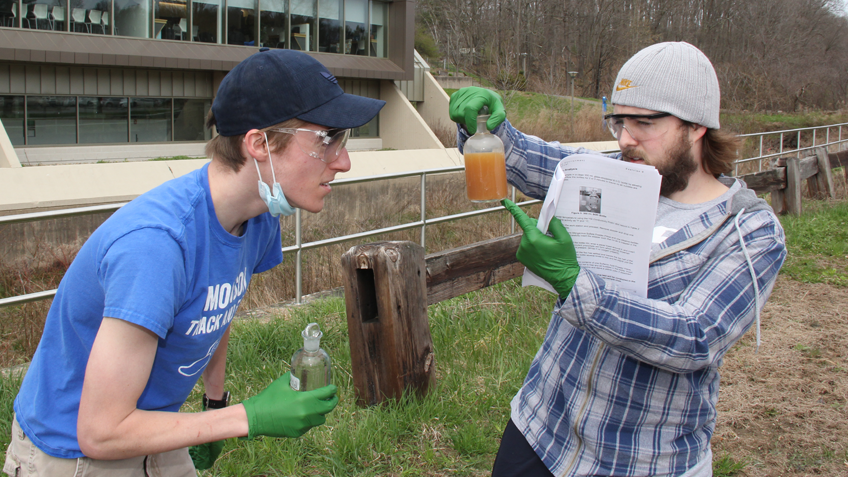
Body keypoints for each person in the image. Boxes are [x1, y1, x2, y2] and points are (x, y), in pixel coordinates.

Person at [3, 48, 385, 476]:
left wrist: (214, 401)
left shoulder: (257, 215)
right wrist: (246, 418)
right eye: (327, 139)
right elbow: (100, 431)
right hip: (73, 452)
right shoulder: (156, 247)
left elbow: (214, 309)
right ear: (258, 143)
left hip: (152, 427)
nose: (344, 160)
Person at [449, 42, 786, 476]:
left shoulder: (746, 230)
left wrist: (576, 286)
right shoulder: (617, 174)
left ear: (697, 126)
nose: (627, 138)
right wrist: (489, 127)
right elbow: (535, 162)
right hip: (539, 428)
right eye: (620, 122)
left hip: (638, 460)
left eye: (644, 123)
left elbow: (695, 337)